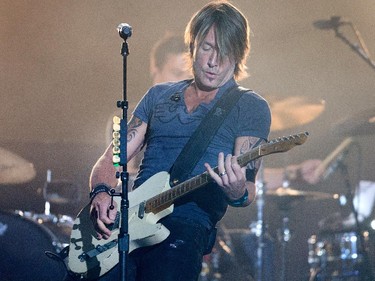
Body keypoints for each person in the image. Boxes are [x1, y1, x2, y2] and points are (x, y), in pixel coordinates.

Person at [88, 1, 271, 280]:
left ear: (238, 56)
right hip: (129, 225)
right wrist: (101, 191)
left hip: (185, 228)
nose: (213, 62)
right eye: (208, 48)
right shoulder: (158, 96)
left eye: (225, 52)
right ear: (193, 46)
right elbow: (113, 158)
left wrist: (236, 190)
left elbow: (247, 190)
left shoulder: (250, 106)